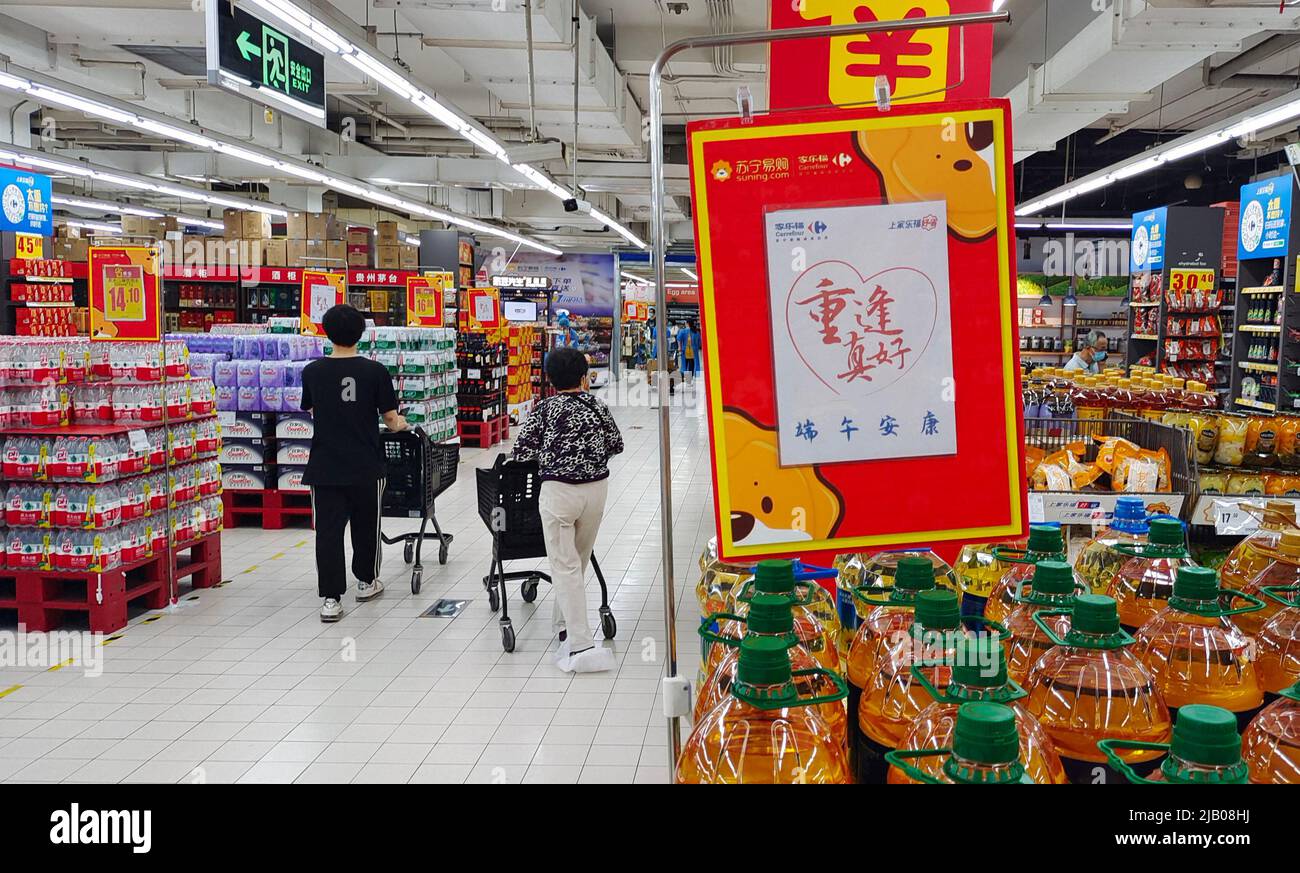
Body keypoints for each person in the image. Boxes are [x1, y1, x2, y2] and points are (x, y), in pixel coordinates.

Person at [511, 347, 625, 672]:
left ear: (549, 379)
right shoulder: (597, 406)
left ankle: (580, 645)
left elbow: (521, 451)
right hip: (595, 491)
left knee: (564, 566)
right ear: (583, 377)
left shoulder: (545, 408)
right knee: (579, 560)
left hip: (558, 492)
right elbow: (616, 444)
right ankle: (562, 630)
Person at [300, 304, 406, 622]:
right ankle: (365, 581)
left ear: (326, 331)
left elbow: (313, 412)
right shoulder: (375, 371)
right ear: (361, 333)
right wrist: (402, 422)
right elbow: (389, 419)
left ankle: (332, 598)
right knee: (366, 526)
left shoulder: (312, 372)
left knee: (328, 533)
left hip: (325, 465)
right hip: (365, 464)